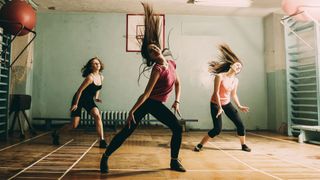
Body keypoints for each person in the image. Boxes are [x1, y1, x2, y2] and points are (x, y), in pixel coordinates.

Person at [100, 3, 186, 173]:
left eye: (154, 47)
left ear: (159, 48)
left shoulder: (171, 63)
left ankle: (174, 162)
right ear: (151, 58)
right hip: (150, 103)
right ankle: (105, 157)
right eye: (150, 51)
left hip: (157, 103)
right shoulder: (158, 69)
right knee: (127, 132)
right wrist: (132, 111)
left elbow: (178, 82)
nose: (153, 49)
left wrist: (177, 100)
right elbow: (146, 94)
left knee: (177, 128)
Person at [194, 44, 251, 152]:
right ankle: (200, 145)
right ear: (231, 65)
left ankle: (243, 145)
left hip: (227, 103)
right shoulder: (219, 76)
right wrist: (219, 107)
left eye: (240, 68)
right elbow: (216, 93)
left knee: (240, 125)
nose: (239, 67)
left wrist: (239, 106)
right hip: (215, 103)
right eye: (237, 65)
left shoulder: (236, 80)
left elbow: (233, 94)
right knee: (217, 129)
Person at [51, 57, 108, 148]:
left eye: (98, 63)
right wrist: (75, 104)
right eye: (95, 63)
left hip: (88, 100)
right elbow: (79, 91)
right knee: (74, 125)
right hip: (79, 99)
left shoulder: (101, 77)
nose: (98, 64)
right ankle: (56, 133)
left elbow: (98, 88)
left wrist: (96, 98)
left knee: (97, 115)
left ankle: (102, 140)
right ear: (91, 66)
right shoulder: (90, 78)